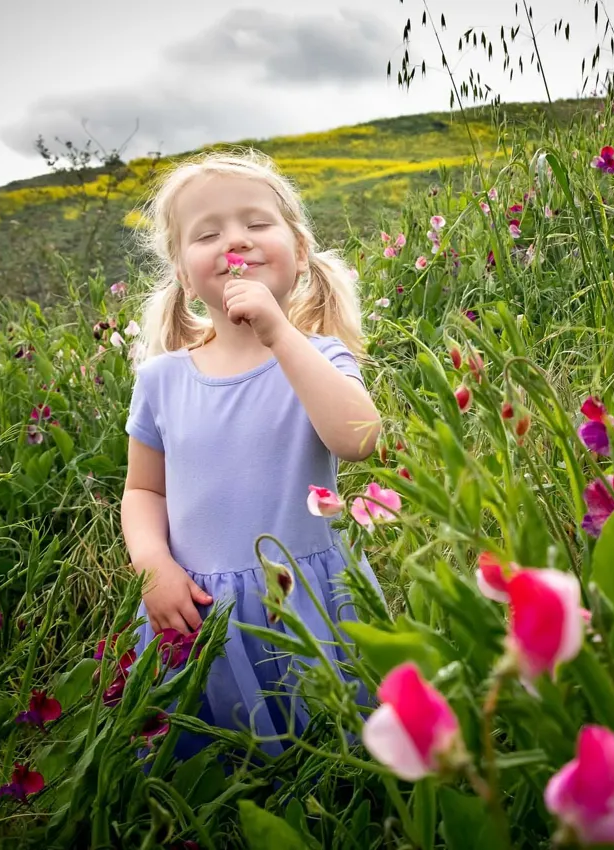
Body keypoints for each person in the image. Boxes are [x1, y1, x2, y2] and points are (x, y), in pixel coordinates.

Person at [120, 148, 384, 762]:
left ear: (297, 251)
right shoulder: (162, 379)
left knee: (328, 754)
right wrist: (153, 566)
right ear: (185, 275)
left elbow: (359, 438)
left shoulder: (318, 358)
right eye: (207, 233)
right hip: (197, 605)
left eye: (256, 224)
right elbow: (143, 491)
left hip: (307, 598)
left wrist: (278, 332)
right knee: (212, 760)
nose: (234, 241)